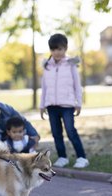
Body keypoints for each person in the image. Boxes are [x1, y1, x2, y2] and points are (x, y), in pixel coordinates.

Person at [40, 33, 89, 168]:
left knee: (70, 131)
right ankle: (62, 157)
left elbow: (77, 86)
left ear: (65, 48)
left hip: (67, 105)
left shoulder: (70, 64)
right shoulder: (47, 66)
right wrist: (42, 105)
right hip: (51, 106)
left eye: (60, 49)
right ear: (50, 50)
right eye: (54, 49)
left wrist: (78, 103)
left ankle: (82, 157)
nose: (57, 52)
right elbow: (44, 87)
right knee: (56, 133)